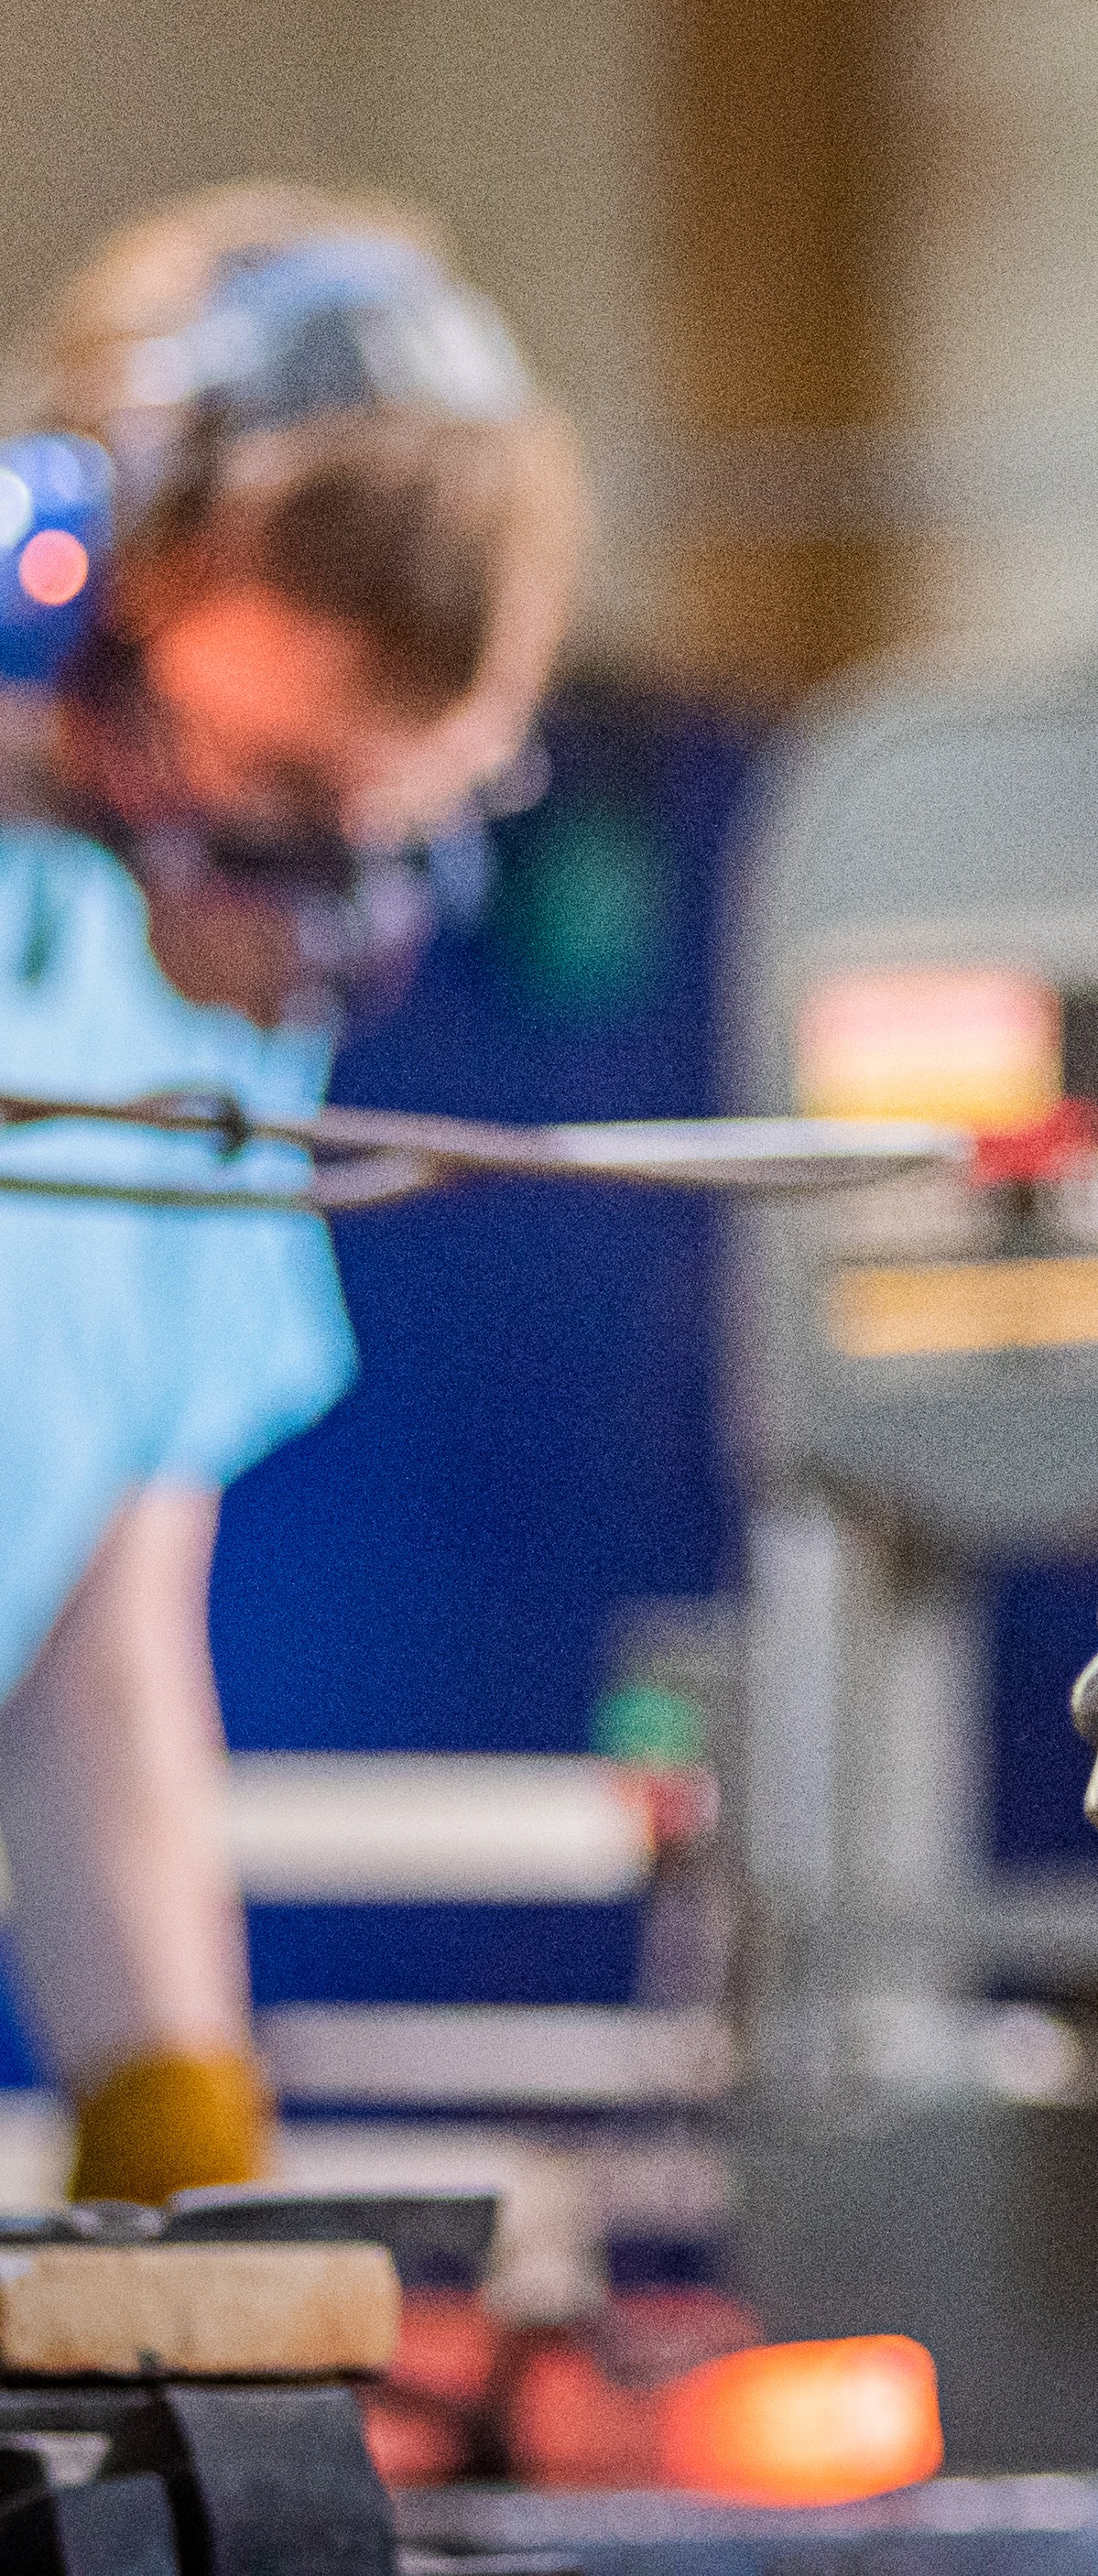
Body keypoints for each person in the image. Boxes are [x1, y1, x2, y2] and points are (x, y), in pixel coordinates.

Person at [0, 189, 582, 2208]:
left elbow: (98, 1637)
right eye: (264, 796)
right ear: (61, 590)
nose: (305, 908)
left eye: (379, 830)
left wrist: (182, 2170)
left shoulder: (193, 1046)